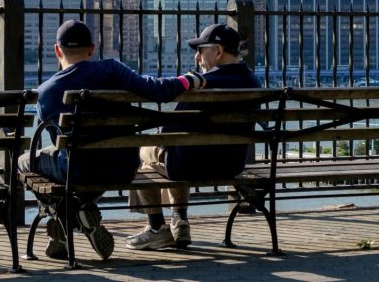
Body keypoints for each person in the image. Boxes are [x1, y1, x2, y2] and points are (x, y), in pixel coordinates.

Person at [21, 19, 200, 260]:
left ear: (56, 51)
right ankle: (76, 213)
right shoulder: (113, 70)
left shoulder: (46, 91)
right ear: (92, 49)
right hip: (123, 167)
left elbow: (59, 145)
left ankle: (68, 214)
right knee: (85, 164)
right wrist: (189, 80)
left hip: (79, 171)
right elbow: (157, 90)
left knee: (23, 162)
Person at [126, 23, 262, 250]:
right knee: (172, 152)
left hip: (190, 166)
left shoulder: (203, 85)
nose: (197, 56)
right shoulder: (254, 82)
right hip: (232, 165)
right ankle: (179, 222)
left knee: (141, 151)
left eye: (201, 50)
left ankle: (157, 227)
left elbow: (170, 134)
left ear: (218, 52)